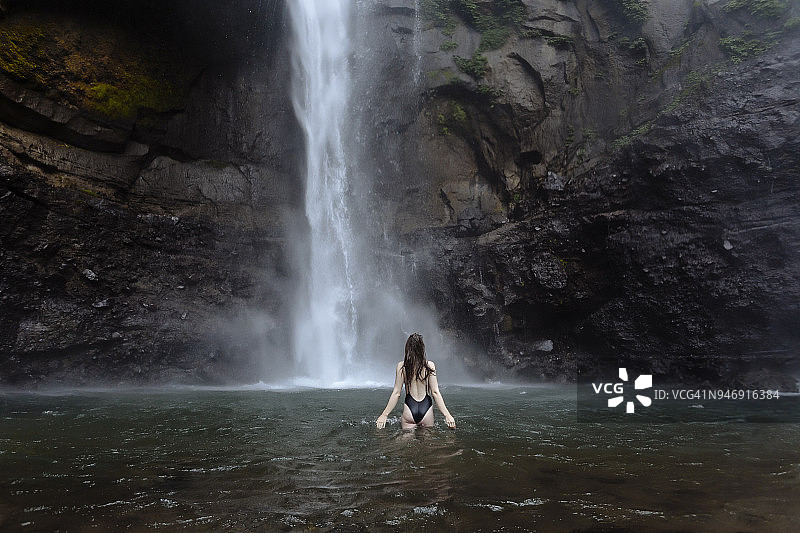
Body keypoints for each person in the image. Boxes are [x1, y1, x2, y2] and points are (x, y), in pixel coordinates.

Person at [376, 333, 456, 429]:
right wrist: (447, 415)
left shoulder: (402, 367)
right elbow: (435, 392)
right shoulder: (429, 366)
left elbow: (396, 393)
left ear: (408, 348)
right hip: (426, 408)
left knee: (406, 440)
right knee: (429, 442)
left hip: (410, 407)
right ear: (422, 348)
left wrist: (384, 415)